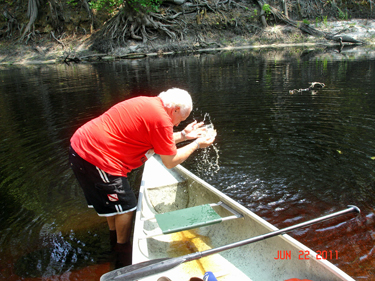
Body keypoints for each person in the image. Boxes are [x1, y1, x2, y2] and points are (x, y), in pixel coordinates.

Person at [68, 88, 215, 268]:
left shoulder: (150, 105)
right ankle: (122, 252)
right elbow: (170, 161)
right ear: (175, 109)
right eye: (181, 120)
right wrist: (197, 144)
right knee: (126, 207)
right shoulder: (161, 119)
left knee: (114, 204)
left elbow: (161, 140)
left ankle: (113, 239)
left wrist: (184, 136)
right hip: (95, 157)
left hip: (84, 149)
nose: (177, 125)